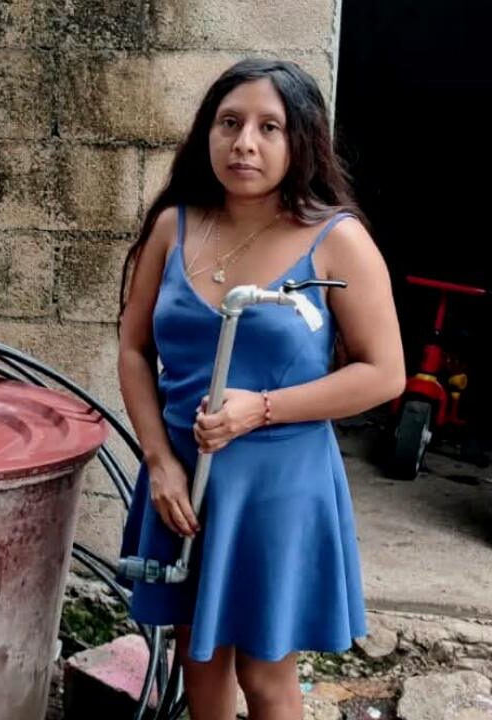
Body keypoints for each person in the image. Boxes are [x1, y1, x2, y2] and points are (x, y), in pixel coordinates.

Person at [116, 58, 405, 720]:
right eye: (229, 122)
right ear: (206, 134)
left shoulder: (337, 241)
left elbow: (384, 372)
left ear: (301, 139)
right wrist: (159, 462)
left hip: (279, 487)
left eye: (269, 126)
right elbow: (134, 350)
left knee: (265, 669)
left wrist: (262, 409)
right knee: (198, 655)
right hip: (181, 484)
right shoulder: (174, 226)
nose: (245, 142)